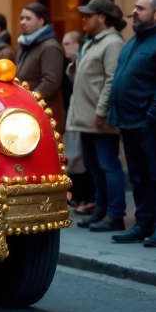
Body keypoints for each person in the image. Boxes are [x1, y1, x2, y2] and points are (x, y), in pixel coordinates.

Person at [109, 0, 156, 247]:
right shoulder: (133, 41)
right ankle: (143, 223)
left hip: (150, 124)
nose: (135, 11)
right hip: (128, 121)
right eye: (135, 7)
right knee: (138, 176)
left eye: (141, 8)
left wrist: (152, 116)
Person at [65, 0, 127, 231]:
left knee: (108, 165)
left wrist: (102, 111)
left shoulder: (112, 43)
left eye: (88, 15)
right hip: (86, 117)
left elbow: (112, 80)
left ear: (102, 17)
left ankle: (115, 215)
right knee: (94, 165)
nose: (84, 19)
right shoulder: (92, 41)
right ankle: (100, 209)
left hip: (99, 117)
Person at [16, 3, 66, 131]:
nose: (22, 22)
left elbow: (51, 82)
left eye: (28, 18)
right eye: (22, 18)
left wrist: (31, 98)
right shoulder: (26, 44)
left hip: (46, 113)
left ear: (41, 21)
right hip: (27, 111)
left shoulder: (50, 47)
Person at [60, 29, 92, 213]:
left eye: (68, 44)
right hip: (74, 115)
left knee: (81, 159)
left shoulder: (82, 63)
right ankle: (80, 197)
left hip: (84, 115)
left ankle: (88, 198)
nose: (64, 48)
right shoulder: (71, 66)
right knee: (73, 157)